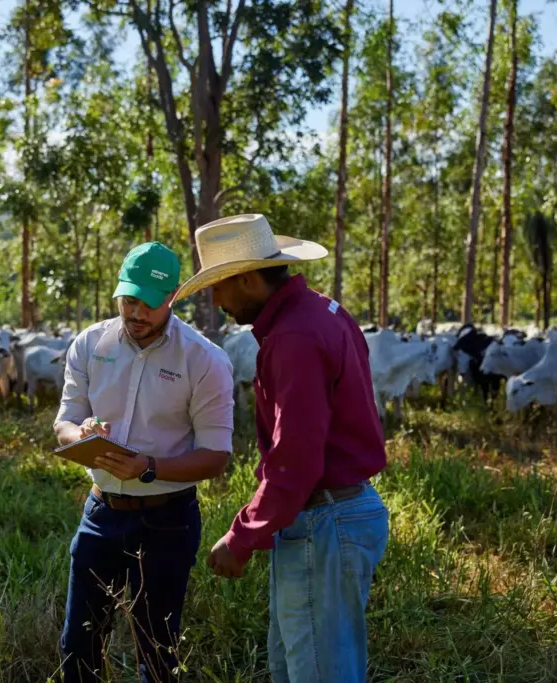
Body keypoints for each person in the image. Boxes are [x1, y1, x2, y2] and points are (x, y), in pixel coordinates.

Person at [173, 214, 389, 683]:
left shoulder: (292, 337)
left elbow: (296, 457)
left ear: (248, 278)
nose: (216, 299)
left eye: (219, 286)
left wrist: (243, 535)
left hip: (324, 521)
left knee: (315, 672)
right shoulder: (323, 311)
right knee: (299, 665)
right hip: (333, 515)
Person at [53, 241, 235, 683]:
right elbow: (64, 421)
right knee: (78, 643)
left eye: (148, 304)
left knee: (157, 648)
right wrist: (81, 436)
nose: (136, 313)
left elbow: (216, 457)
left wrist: (148, 468)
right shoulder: (90, 344)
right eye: (128, 299)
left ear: (172, 297)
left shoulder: (205, 360)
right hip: (101, 513)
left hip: (167, 520)